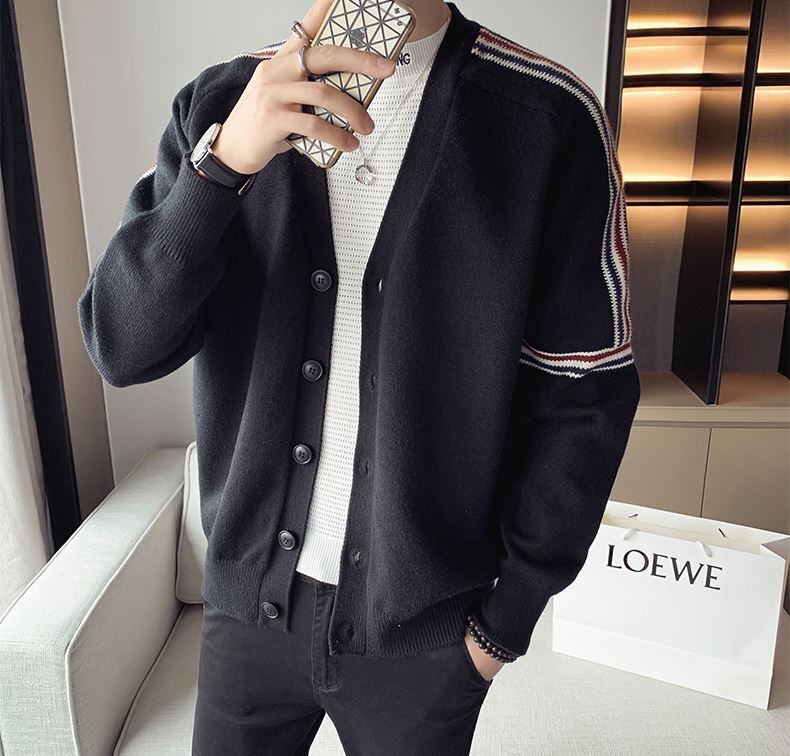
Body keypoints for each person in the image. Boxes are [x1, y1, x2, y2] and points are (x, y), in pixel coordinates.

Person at [77, 0, 641, 753]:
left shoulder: (546, 116)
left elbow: (584, 395)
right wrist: (224, 166)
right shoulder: (222, 103)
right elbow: (121, 346)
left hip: (427, 640)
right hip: (247, 616)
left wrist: (503, 625)